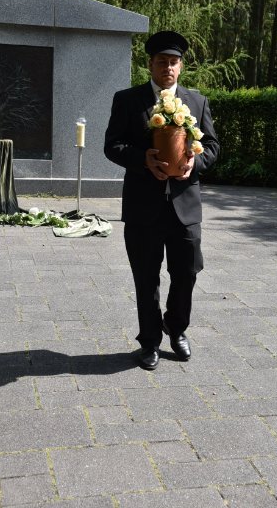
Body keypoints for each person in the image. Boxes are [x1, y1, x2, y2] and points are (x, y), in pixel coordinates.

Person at [104, 30, 219, 370]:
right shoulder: (128, 100)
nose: (168, 67)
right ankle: (150, 341)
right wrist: (143, 159)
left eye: (174, 62)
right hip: (143, 207)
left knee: (188, 272)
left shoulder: (197, 102)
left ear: (181, 66)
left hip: (185, 206)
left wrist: (194, 163)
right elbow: (113, 145)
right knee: (146, 277)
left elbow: (212, 146)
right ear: (150, 64)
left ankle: (176, 326)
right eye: (162, 62)